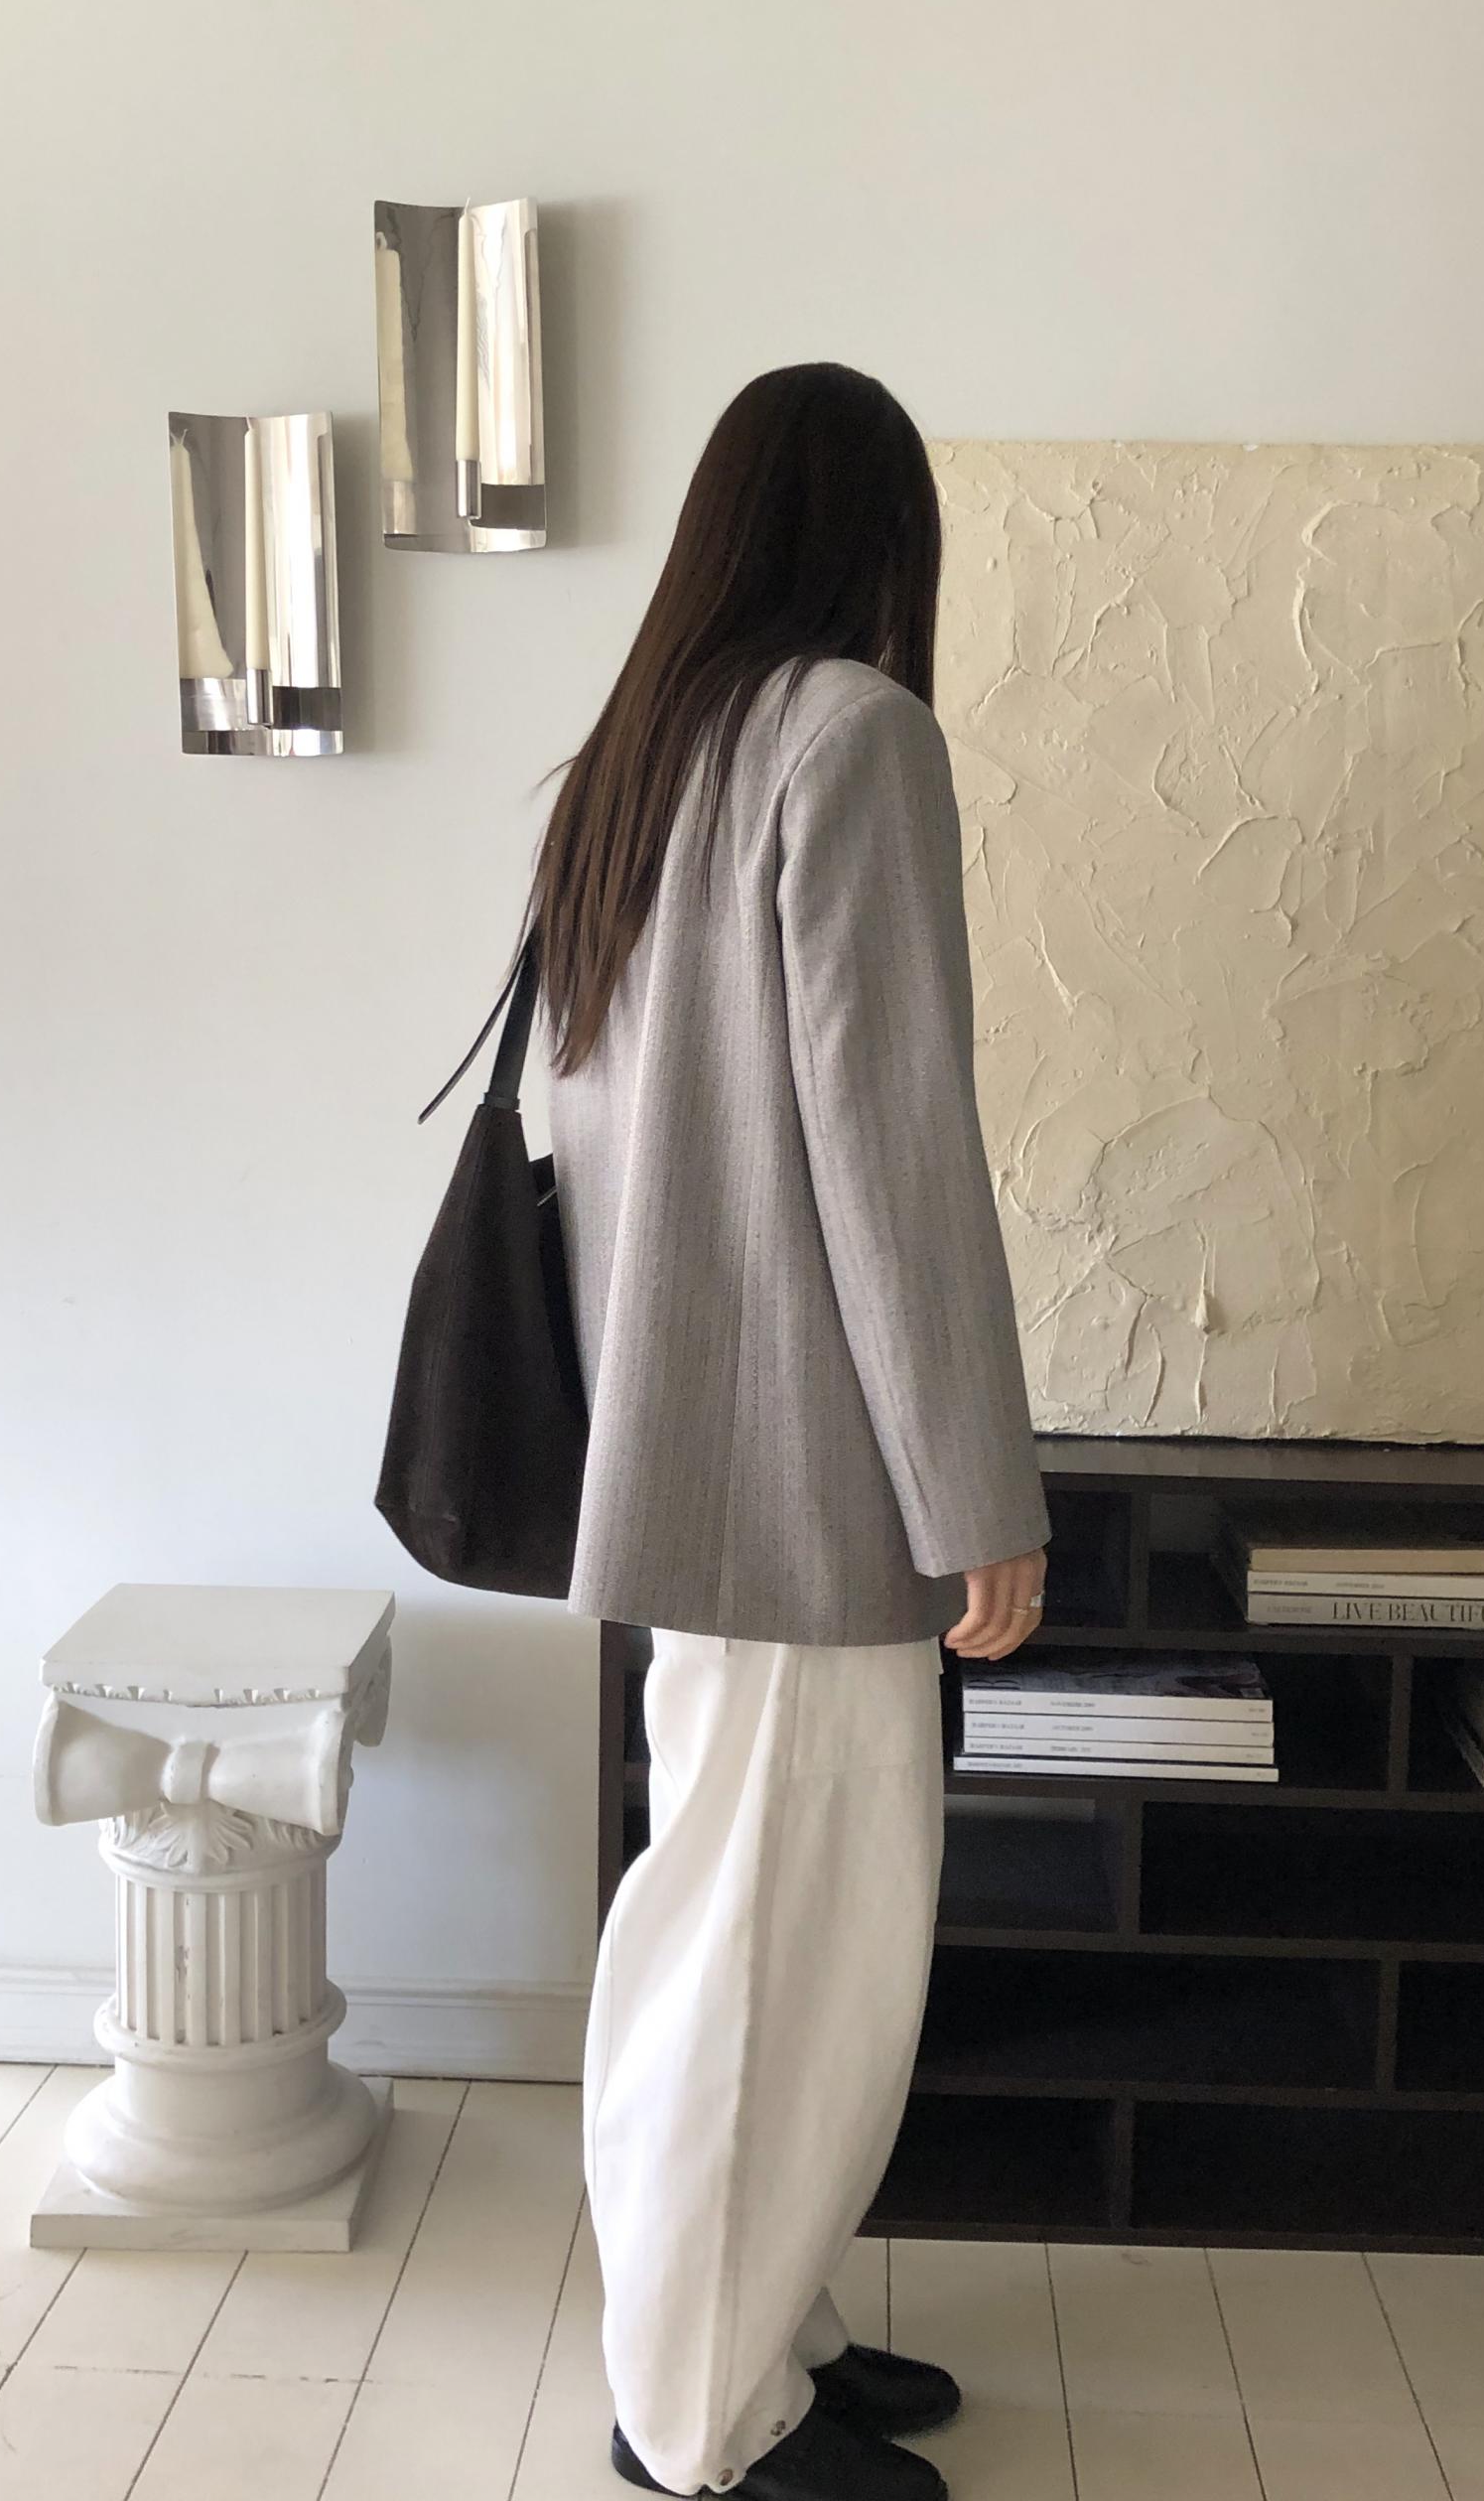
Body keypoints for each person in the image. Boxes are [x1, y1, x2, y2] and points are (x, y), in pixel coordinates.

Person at [537, 362, 1049, 2501]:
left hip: (683, 1457)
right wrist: (976, 1492)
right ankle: (702, 2415)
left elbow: (583, 1127)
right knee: (783, 1956)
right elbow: (892, 1155)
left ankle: (760, 2327)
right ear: (879, 536)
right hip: (819, 1484)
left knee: (719, 1926)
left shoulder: (639, 758)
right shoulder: (853, 736)